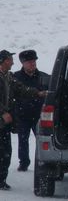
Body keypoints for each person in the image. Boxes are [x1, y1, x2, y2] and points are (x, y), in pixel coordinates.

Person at [0, 50, 46, 190]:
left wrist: (38, 93)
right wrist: (2, 112)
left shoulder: (9, 77)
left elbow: (21, 89)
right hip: (5, 118)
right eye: (10, 60)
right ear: (3, 61)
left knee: (5, 151)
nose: (13, 62)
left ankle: (1, 180)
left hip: (6, 123)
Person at [14, 50, 50, 172]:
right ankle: (24, 162)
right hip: (22, 115)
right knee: (22, 141)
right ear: (23, 63)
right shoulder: (15, 77)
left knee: (42, 141)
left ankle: (43, 162)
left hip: (39, 116)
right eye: (29, 62)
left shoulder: (44, 77)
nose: (32, 64)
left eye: (34, 61)